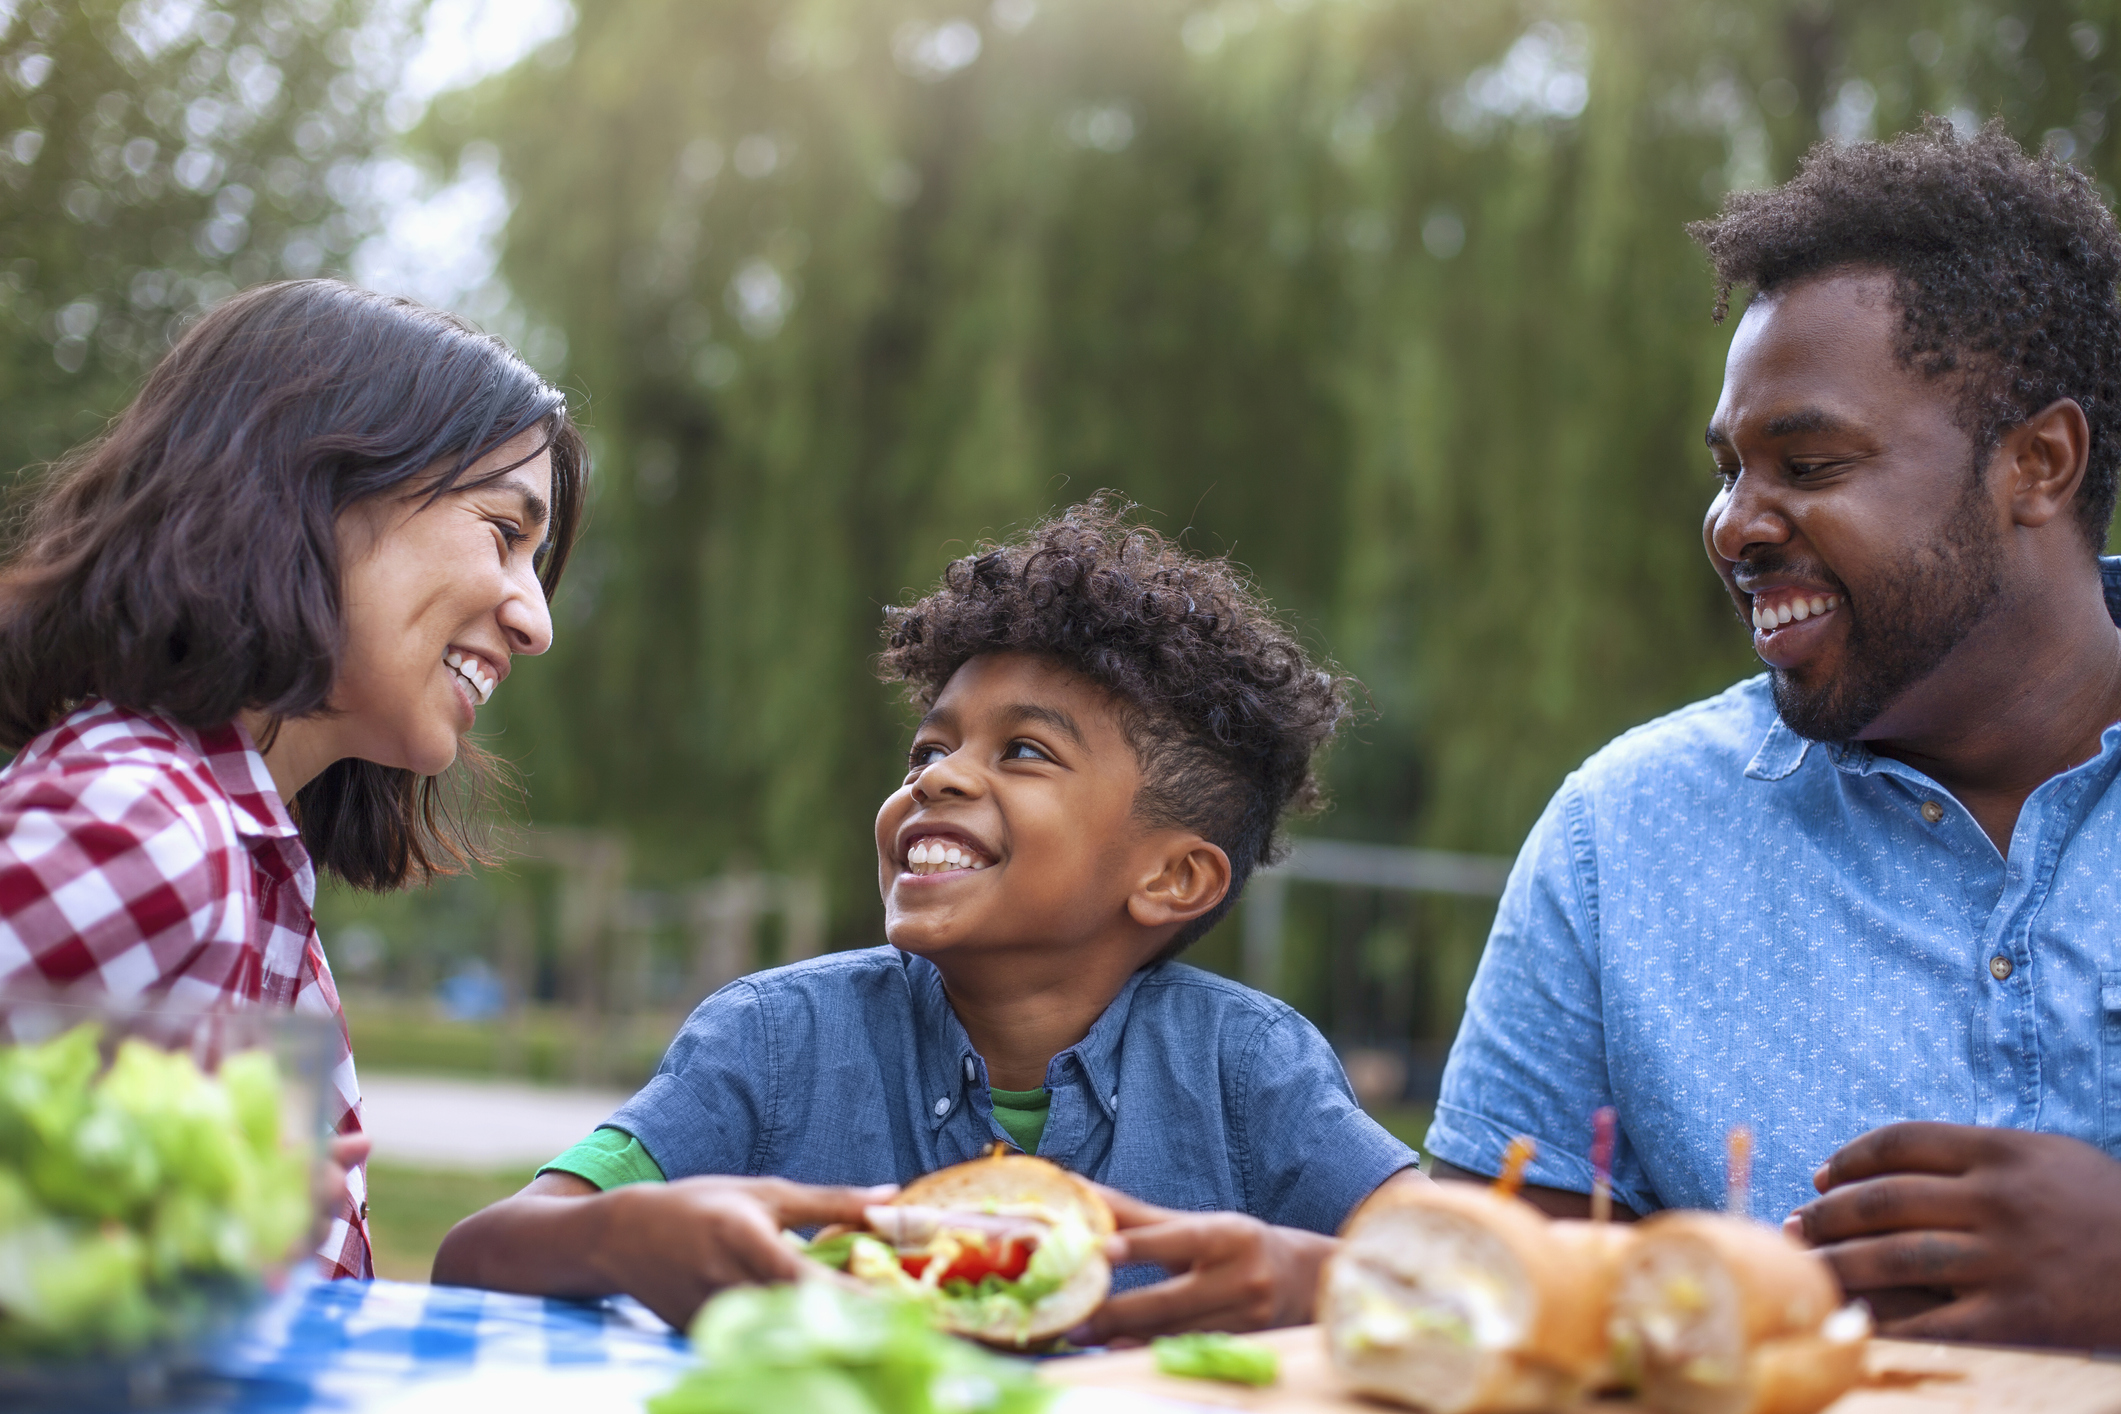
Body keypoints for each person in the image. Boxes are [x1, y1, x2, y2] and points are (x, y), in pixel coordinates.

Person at [1424, 119, 2121, 1348]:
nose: (1737, 526)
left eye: (1807, 460)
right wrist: (1310, 1285)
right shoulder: (1620, 838)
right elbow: (1472, 1312)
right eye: (1730, 470)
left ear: (2039, 463)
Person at [434, 498, 1421, 1335]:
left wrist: (1311, 1277)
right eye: (926, 750)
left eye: (1025, 751)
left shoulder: (1249, 1071)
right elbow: (475, 1255)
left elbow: (1470, 1279)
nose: (938, 775)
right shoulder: (774, 1041)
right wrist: (619, 1236)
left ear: (1173, 878)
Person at [0, 279, 587, 1278]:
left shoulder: (240, 846)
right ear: (309, 497)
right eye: (503, 533)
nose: (535, 620)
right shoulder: (142, 824)